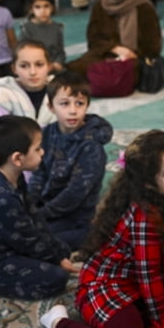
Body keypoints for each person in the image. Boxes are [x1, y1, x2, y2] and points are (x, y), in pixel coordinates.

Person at [42, 131, 164, 328]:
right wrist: (163, 324)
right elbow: (149, 278)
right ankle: (58, 322)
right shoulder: (145, 217)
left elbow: (160, 268)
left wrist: (162, 312)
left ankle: (136, 319)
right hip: (106, 287)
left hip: (136, 283)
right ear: (148, 182)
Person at [0, 114, 74, 300]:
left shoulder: (13, 177)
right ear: (18, 158)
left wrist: (58, 253)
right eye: (37, 149)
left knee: (62, 248)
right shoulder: (0, 195)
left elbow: (33, 217)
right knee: (56, 277)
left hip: (6, 242)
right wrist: (56, 260)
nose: (42, 152)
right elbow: (27, 239)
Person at [26, 72, 111, 250]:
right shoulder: (47, 133)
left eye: (79, 103)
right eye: (65, 103)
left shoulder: (91, 146)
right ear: (51, 107)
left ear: (87, 105)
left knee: (36, 241)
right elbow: (39, 174)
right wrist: (29, 205)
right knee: (14, 228)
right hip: (48, 207)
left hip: (75, 218)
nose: (73, 110)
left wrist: (39, 215)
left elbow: (75, 194)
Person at [67, 0, 162, 86]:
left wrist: (130, 53)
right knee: (72, 69)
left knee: (113, 75)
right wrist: (116, 48)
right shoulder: (100, 7)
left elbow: (153, 48)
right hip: (105, 54)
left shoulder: (143, 7)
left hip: (135, 59)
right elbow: (93, 40)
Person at [0, 40, 56, 175]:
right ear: (14, 69)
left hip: (50, 168)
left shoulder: (62, 94)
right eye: (24, 66)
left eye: (39, 64)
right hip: (6, 172)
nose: (32, 72)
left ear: (49, 66)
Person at [20, 0, 66, 73]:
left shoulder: (57, 27)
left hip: (54, 67)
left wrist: (57, 63)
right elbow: (23, 53)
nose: (43, 11)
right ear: (31, 9)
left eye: (46, 6)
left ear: (52, 7)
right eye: (37, 7)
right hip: (34, 69)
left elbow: (60, 52)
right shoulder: (26, 28)